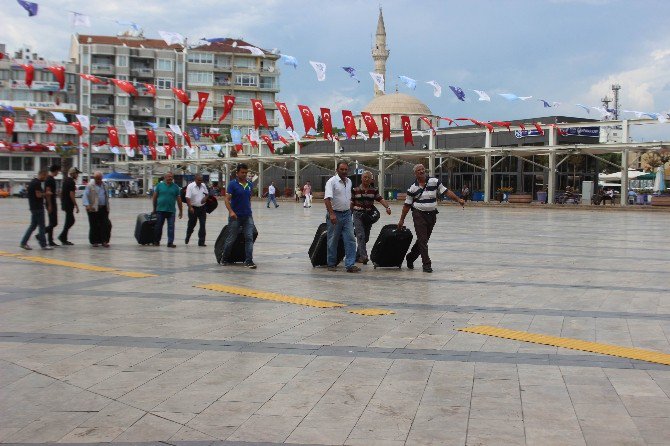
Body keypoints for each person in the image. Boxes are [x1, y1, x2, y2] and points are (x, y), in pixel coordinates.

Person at [397, 164, 465, 273]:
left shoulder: (434, 181)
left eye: (423, 169)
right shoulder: (412, 188)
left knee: (423, 240)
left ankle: (410, 257)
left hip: (432, 215)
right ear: (415, 173)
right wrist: (401, 220)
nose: (421, 171)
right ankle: (426, 264)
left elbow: (446, 191)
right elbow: (406, 206)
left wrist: (458, 199)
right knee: (423, 240)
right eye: (419, 170)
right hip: (419, 215)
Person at [324, 161, 359, 273]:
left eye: (346, 169)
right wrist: (332, 214)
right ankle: (331, 263)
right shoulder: (331, 182)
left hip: (347, 214)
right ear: (337, 170)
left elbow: (348, 198)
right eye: (342, 169)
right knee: (333, 239)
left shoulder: (349, 182)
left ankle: (350, 264)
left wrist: (350, 210)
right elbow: (327, 199)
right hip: (335, 214)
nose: (344, 171)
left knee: (350, 239)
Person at [351, 170, 391, 264]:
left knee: (366, 237)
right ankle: (364, 257)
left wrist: (387, 207)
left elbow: (380, 199)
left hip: (368, 216)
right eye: (365, 177)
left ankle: (357, 256)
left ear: (371, 180)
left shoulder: (373, 190)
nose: (366, 179)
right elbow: (351, 203)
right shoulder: (355, 190)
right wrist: (348, 214)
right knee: (360, 235)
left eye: (368, 177)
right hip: (357, 215)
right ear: (361, 178)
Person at [222, 163, 256, 268]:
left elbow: (249, 199)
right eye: (242, 172)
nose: (244, 174)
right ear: (237, 173)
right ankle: (224, 258)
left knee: (249, 237)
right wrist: (231, 212)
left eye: (246, 172)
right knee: (231, 238)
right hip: (235, 217)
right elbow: (226, 200)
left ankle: (249, 261)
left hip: (247, 216)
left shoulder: (250, 185)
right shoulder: (232, 184)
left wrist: (248, 209)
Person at [20, 169, 51, 250]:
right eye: (45, 176)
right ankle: (43, 245)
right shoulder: (37, 183)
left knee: (33, 226)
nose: (46, 178)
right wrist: (46, 194)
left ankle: (23, 243)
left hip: (33, 207)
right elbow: (38, 195)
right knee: (42, 226)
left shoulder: (33, 182)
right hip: (38, 208)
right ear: (42, 174)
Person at [152, 172, 182, 248]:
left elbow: (179, 199)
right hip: (160, 210)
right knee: (158, 226)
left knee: (171, 227)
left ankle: (170, 242)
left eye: (171, 177)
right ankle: (156, 241)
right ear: (165, 177)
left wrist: (180, 211)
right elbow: (154, 198)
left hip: (171, 211)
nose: (170, 178)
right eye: (168, 176)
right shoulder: (159, 186)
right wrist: (154, 209)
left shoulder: (176, 187)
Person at [82, 171, 112, 248]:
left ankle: (104, 241)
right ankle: (94, 241)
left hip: (103, 208)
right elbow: (85, 196)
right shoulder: (90, 185)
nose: (98, 180)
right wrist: (87, 205)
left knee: (105, 225)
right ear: (94, 178)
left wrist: (107, 207)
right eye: (97, 179)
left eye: (100, 179)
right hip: (93, 208)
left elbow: (106, 196)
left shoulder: (105, 185)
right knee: (94, 225)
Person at [58, 167, 81, 245]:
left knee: (69, 221)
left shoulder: (65, 180)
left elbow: (61, 192)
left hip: (65, 203)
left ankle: (63, 237)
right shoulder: (71, 182)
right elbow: (72, 195)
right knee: (70, 220)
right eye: (77, 173)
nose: (77, 175)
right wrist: (76, 205)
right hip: (69, 204)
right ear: (73, 174)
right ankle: (62, 237)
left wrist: (62, 202)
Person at [185, 173, 208, 246]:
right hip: (193, 208)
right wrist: (190, 207)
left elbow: (207, 194)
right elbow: (187, 197)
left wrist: (205, 198)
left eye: (201, 180)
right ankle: (188, 235)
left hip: (202, 208)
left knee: (203, 224)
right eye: (198, 180)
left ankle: (201, 242)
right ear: (195, 179)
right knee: (191, 224)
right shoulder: (190, 186)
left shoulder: (203, 185)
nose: (200, 182)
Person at [44, 164, 61, 246]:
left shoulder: (51, 179)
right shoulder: (49, 179)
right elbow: (48, 192)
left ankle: (50, 241)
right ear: (55, 170)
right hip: (50, 203)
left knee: (52, 222)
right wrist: (50, 205)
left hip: (52, 202)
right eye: (58, 171)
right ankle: (41, 233)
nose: (58, 172)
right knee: (54, 223)